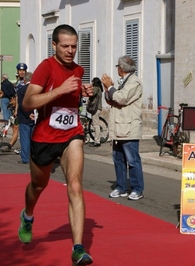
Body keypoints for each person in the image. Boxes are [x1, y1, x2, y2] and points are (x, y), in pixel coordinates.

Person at [18, 24, 93, 265]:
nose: (71, 51)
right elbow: (28, 103)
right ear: (54, 45)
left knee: (74, 186)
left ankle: (78, 248)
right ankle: (27, 216)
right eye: (65, 46)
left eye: (74, 46)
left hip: (72, 134)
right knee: (38, 187)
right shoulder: (45, 67)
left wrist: (82, 91)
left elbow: (71, 99)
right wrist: (60, 89)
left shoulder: (79, 69)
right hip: (44, 138)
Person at [101, 55, 145, 201]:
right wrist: (108, 89)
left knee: (132, 160)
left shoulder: (134, 82)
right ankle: (121, 187)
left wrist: (111, 88)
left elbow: (121, 98)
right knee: (118, 159)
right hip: (118, 128)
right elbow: (111, 99)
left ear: (121, 69)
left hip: (129, 128)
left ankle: (137, 189)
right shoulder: (122, 82)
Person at [16, 72, 35, 164]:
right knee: (33, 138)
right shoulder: (37, 89)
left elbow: (21, 104)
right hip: (36, 117)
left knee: (25, 138)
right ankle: (33, 157)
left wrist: (28, 114)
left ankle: (25, 158)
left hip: (25, 117)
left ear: (24, 79)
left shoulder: (21, 89)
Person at [13, 63, 28, 155]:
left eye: (23, 71)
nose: (22, 72)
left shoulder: (27, 82)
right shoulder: (18, 83)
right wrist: (16, 109)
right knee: (19, 129)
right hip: (20, 109)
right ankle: (24, 149)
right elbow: (17, 97)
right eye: (20, 71)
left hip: (27, 108)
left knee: (26, 130)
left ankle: (26, 150)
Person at [88, 77, 103, 147]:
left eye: (92, 81)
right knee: (96, 124)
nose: (92, 83)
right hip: (98, 108)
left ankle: (97, 141)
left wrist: (89, 88)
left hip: (95, 108)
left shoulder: (96, 88)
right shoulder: (99, 88)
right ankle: (97, 140)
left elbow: (91, 93)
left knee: (96, 125)